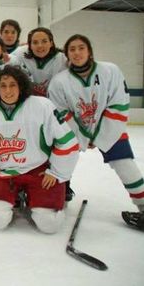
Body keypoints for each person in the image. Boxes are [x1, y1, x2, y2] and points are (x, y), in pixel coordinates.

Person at [0, 66, 79, 233]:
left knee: (49, 224)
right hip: (3, 173)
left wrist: (55, 172)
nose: (8, 90)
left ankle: (31, 197)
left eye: (13, 85)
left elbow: (66, 141)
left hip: (38, 171)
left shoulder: (43, 106)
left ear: (22, 86)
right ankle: (15, 196)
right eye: (3, 86)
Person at [48, 34, 144, 230]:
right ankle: (54, 199)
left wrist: (100, 136)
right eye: (72, 49)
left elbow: (119, 102)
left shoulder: (110, 71)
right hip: (75, 133)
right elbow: (61, 112)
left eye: (81, 48)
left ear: (89, 50)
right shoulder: (59, 81)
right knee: (60, 163)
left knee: (125, 165)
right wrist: (82, 136)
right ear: (66, 54)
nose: (77, 52)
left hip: (111, 129)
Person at [15, 27, 67, 97]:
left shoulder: (62, 59)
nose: (40, 46)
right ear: (29, 45)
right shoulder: (20, 53)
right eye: (35, 42)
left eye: (44, 41)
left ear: (51, 43)